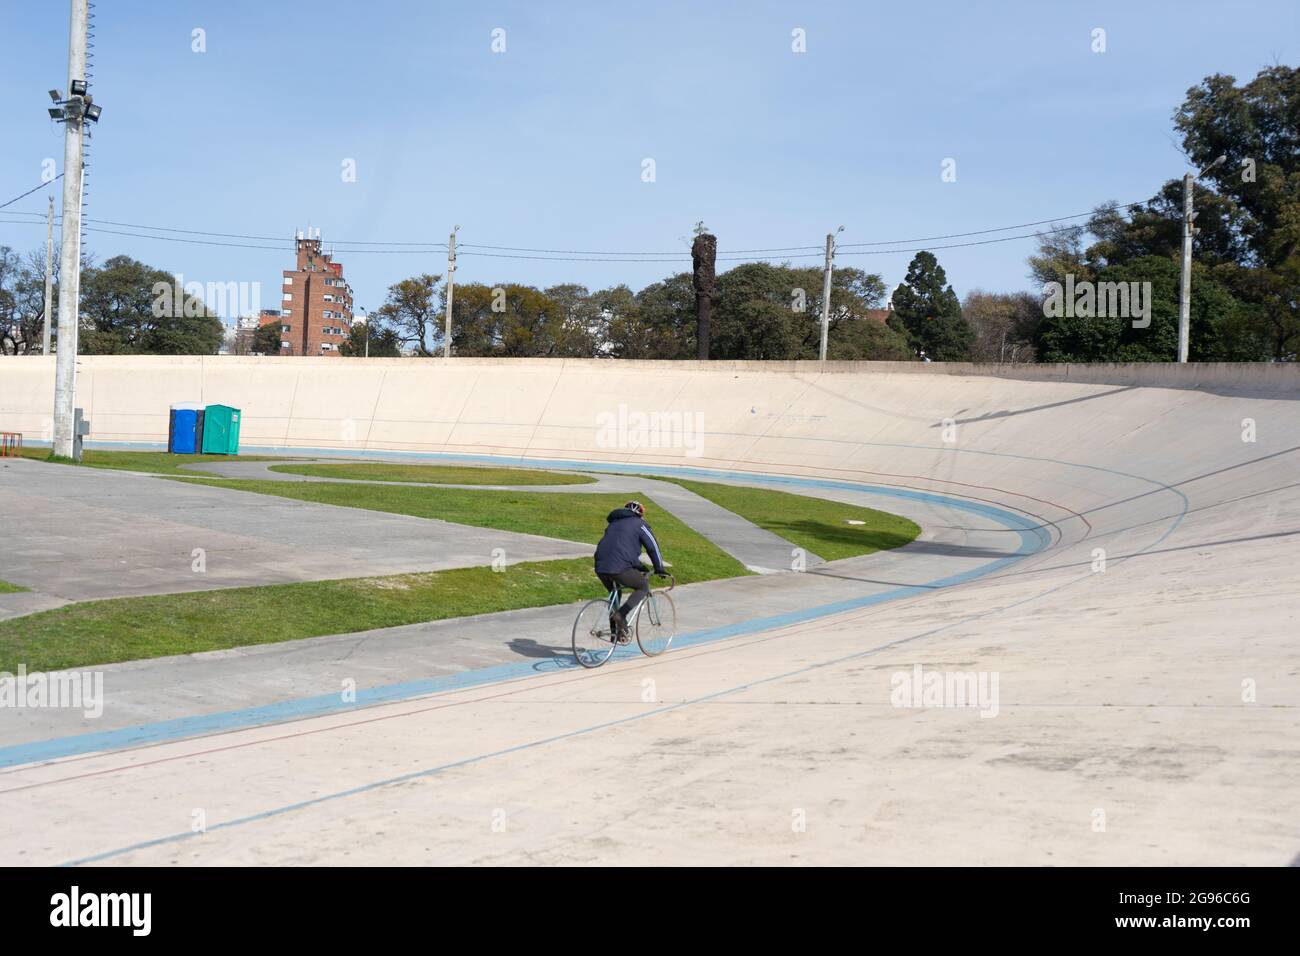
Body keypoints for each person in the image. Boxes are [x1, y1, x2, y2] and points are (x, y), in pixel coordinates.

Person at [593, 500, 667, 643]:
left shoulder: (613, 524)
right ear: (640, 514)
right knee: (643, 586)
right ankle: (621, 615)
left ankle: (616, 633)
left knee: (615, 592)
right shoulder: (640, 524)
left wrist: (639, 566)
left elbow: (620, 550)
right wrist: (659, 568)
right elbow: (653, 547)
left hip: (600, 565)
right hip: (618, 566)